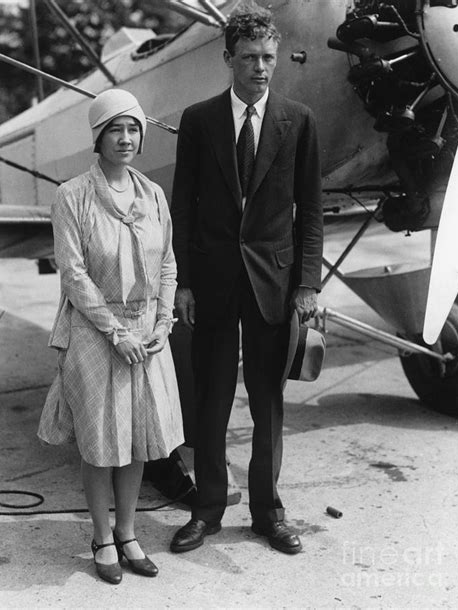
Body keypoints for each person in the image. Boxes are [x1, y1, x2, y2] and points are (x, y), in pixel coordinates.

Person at [170, 4, 323, 556]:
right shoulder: (199, 119)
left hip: (274, 286)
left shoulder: (297, 120)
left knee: (267, 402)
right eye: (251, 58)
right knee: (211, 398)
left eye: (269, 58)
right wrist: (183, 282)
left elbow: (311, 210)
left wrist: (307, 283)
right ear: (228, 58)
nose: (261, 68)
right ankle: (207, 509)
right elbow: (182, 208)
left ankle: (268, 512)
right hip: (211, 283)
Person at [38, 89, 184, 584]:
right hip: (97, 331)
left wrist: (163, 322)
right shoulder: (72, 194)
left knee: (139, 439)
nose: (126, 139)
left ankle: (128, 532)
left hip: (147, 333)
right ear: (98, 137)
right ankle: (101, 537)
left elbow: (167, 263)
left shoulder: (153, 194)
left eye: (134, 129)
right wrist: (116, 332)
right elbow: (73, 275)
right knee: (102, 443)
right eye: (115, 129)